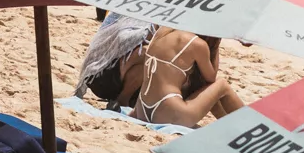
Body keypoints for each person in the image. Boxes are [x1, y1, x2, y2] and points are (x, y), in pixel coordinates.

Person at [74, 14, 243, 127]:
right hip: (170, 110)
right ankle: (250, 125)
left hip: (142, 110)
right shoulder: (198, 45)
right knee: (221, 86)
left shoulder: (162, 32)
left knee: (207, 93)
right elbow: (211, 78)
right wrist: (214, 49)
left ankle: (230, 128)